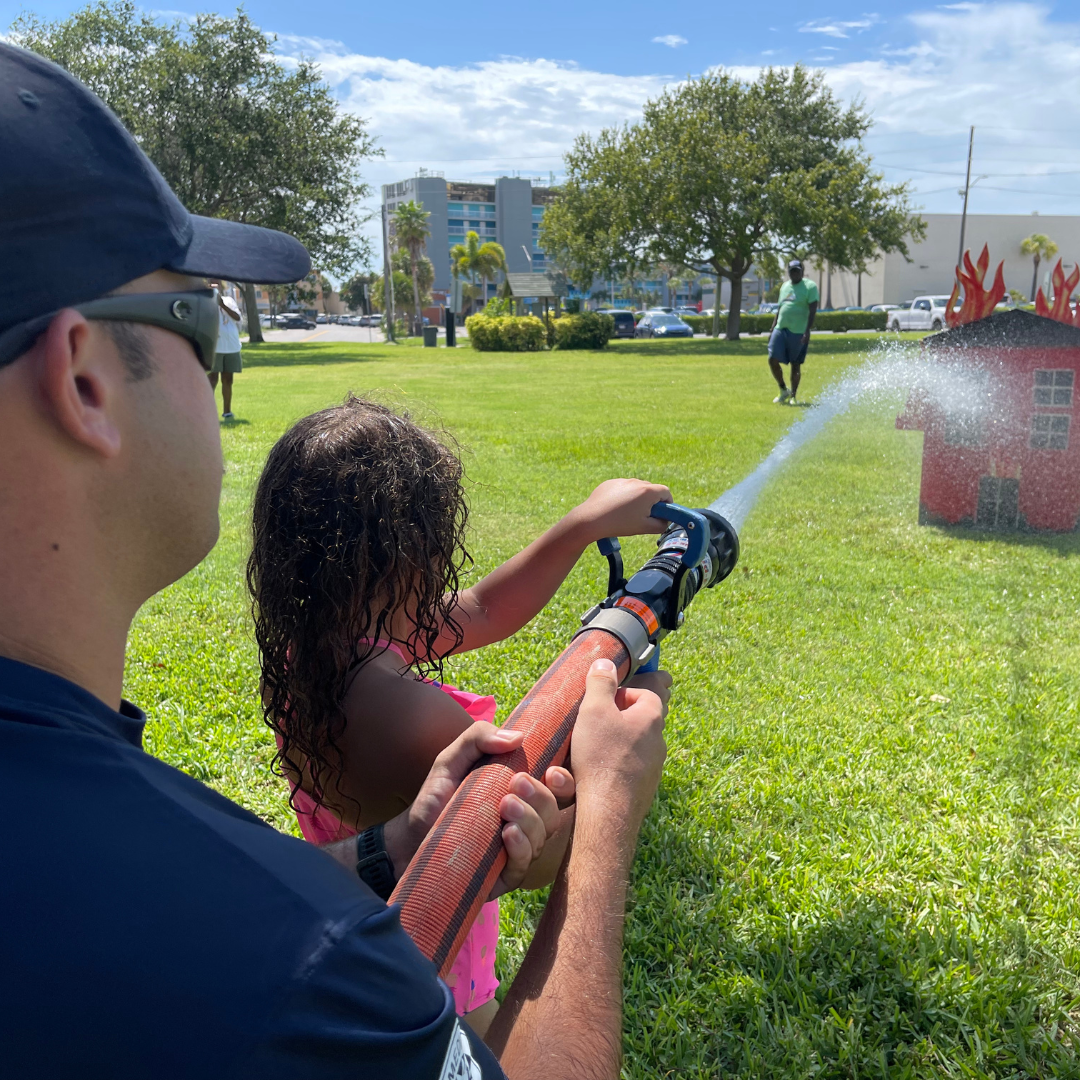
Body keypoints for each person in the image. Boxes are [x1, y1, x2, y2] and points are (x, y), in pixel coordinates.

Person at [0, 42, 671, 1080]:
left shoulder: (324, 655)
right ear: (85, 379)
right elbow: (536, 777)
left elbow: (479, 611)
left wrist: (387, 849)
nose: (221, 360)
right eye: (201, 317)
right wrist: (612, 808)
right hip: (446, 977)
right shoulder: (305, 968)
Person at [247, 395, 673, 1035]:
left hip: (360, 920)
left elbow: (480, 610)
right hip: (438, 960)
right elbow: (542, 852)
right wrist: (621, 732)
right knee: (473, 1052)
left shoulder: (317, 648)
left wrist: (583, 524)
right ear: (411, 558)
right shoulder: (414, 715)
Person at [767, 259, 819, 404]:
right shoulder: (784, 286)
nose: (794, 273)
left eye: (797, 270)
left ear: (802, 271)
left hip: (798, 331)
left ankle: (793, 396)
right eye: (792, 271)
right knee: (772, 359)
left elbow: (813, 310)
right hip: (780, 328)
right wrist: (772, 329)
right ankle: (783, 389)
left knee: (795, 364)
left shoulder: (810, 287)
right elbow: (780, 309)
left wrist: (807, 331)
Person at [209, 284, 243, 419]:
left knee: (228, 380)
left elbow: (237, 317)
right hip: (214, 347)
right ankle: (208, 412)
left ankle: (227, 412)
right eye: (212, 287)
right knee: (211, 380)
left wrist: (222, 305)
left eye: (217, 287)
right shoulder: (205, 301)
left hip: (232, 346)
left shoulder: (229, 301)